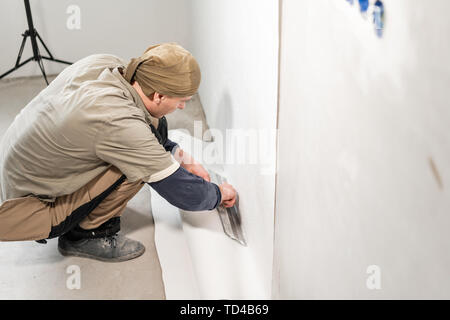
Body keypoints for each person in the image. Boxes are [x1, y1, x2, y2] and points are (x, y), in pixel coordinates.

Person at [0, 43, 237, 262]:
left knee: (154, 125)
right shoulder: (116, 119)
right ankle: (85, 235)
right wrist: (217, 194)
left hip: (19, 176)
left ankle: (84, 215)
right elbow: (184, 193)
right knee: (135, 168)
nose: (183, 106)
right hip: (28, 210)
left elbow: (146, 133)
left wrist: (182, 158)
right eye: (181, 100)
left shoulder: (109, 65)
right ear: (159, 95)